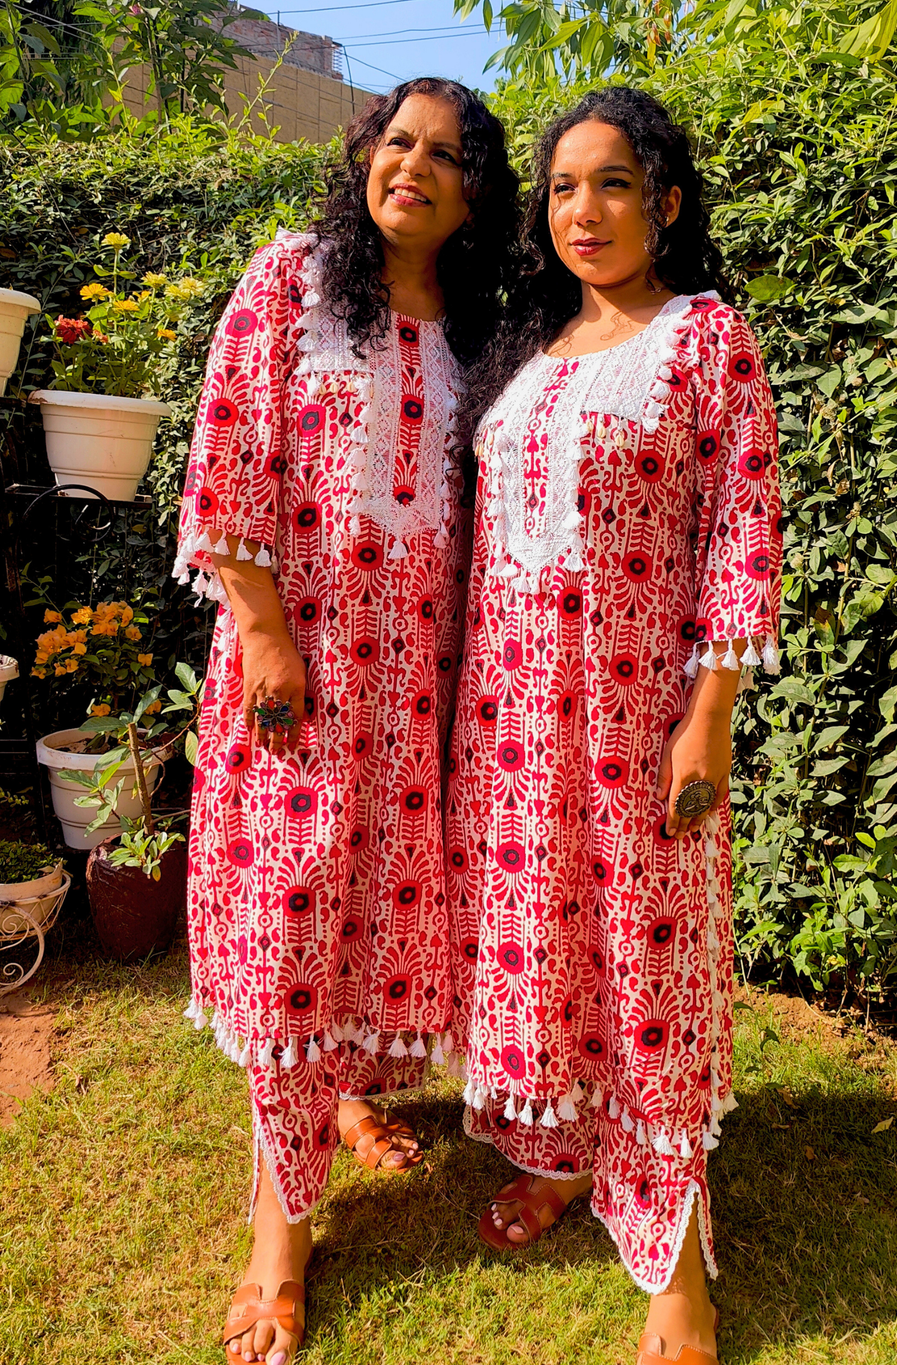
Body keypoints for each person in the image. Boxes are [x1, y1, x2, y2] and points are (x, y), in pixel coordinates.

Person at [174, 77, 520, 1365]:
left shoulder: (486, 328)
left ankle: (348, 1104)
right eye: (397, 142)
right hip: (300, 680)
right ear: (364, 157)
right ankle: (278, 1235)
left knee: (382, 915)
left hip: (419, 690)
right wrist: (261, 628)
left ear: (474, 191)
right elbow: (225, 458)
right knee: (290, 929)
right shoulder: (291, 280)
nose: (413, 167)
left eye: (446, 155)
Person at [446, 87, 781, 1365]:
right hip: (512, 721)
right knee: (545, 953)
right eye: (564, 186)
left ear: (667, 204)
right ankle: (570, 1158)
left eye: (615, 184)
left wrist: (710, 716)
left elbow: (742, 538)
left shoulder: (703, 338)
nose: (583, 211)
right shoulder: (529, 349)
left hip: (637, 717)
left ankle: (678, 1257)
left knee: (652, 974)